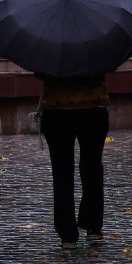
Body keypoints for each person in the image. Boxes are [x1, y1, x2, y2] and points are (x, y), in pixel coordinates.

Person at [38, 74, 110, 249]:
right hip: (93, 107)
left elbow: (39, 71)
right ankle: (92, 225)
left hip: (57, 109)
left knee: (61, 171)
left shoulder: (51, 46)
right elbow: (109, 63)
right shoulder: (95, 46)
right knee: (92, 166)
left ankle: (67, 235)